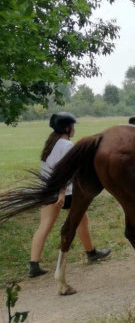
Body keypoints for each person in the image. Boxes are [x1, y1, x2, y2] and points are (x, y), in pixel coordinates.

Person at [28, 113, 111, 278]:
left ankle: (34, 265)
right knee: (80, 221)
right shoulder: (66, 145)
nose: (74, 128)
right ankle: (91, 253)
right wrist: (62, 193)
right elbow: (67, 172)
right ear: (67, 128)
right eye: (73, 126)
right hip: (66, 193)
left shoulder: (49, 145)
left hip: (48, 191)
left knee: (45, 226)